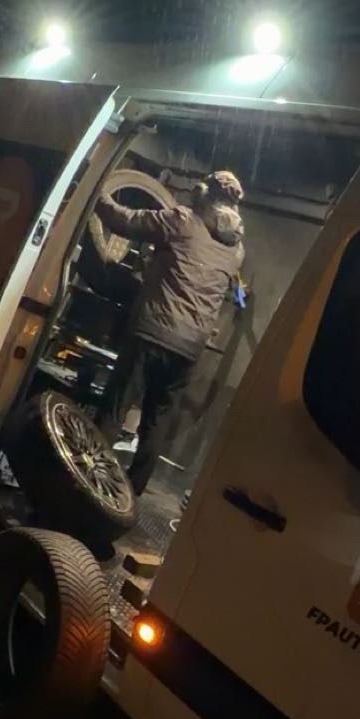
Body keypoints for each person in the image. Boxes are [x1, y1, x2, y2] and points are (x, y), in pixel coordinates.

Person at [93, 170, 245, 495]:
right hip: (189, 350)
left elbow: (125, 221)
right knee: (155, 424)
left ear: (203, 193)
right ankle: (128, 497)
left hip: (153, 332)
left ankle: (86, 484)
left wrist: (96, 190)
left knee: (115, 408)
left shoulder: (182, 221)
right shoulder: (237, 251)